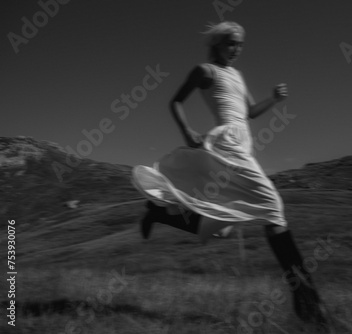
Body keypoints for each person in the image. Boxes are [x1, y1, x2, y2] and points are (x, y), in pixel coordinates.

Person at [131, 21, 330, 329]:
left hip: (243, 147)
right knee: (274, 208)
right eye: (231, 43)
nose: (236, 49)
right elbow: (175, 101)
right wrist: (186, 130)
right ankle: (309, 305)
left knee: (219, 228)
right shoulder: (205, 71)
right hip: (229, 144)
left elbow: (249, 112)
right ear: (217, 44)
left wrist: (274, 99)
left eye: (240, 44)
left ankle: (159, 214)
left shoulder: (236, 74)